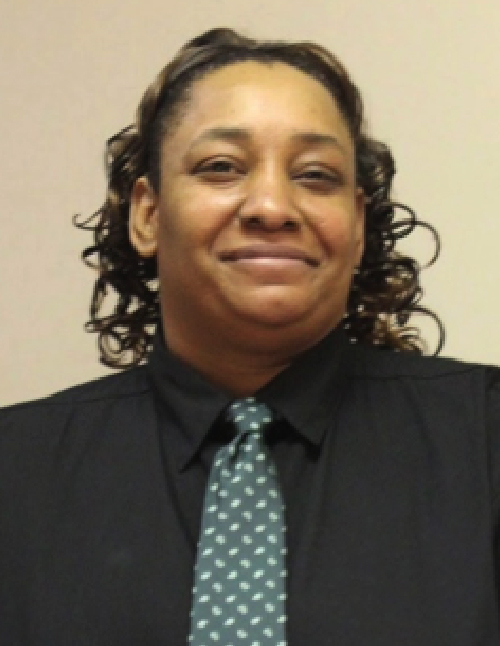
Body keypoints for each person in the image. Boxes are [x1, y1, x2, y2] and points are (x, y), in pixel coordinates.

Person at [0, 27, 499, 646]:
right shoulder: (15, 473)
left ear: (358, 224)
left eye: (315, 175)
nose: (272, 206)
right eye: (221, 168)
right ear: (147, 214)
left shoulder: (484, 442)